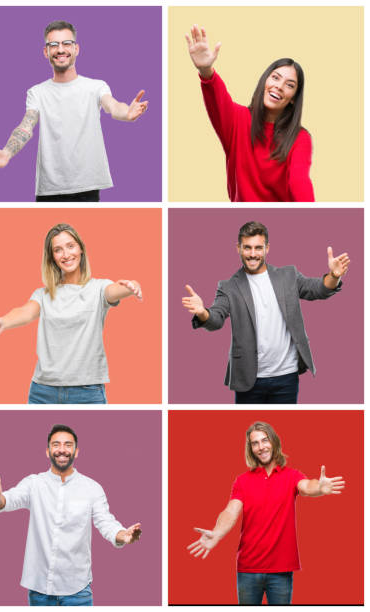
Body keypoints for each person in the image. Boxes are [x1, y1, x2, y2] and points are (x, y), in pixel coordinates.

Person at [181, 221, 349, 403]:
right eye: (247, 248)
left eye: (258, 248)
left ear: (267, 248)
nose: (253, 254)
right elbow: (216, 319)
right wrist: (202, 312)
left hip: (287, 376)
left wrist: (333, 276)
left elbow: (317, 289)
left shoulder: (288, 275)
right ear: (238, 248)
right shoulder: (228, 286)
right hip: (248, 378)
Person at [0, 20, 148, 202]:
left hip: (87, 187)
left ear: (76, 49)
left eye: (66, 43)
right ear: (46, 52)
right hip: (49, 190)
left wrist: (127, 113)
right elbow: (27, 125)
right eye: (54, 45)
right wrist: (7, 153)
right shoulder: (37, 92)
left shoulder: (95, 87)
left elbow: (113, 106)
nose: (60, 50)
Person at [187, 421, 345, 605]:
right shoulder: (242, 481)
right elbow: (231, 510)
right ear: (251, 448)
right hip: (248, 569)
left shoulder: (292, 476)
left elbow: (307, 487)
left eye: (265, 440)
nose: (261, 447)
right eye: (255, 443)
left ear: (274, 442)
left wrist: (319, 487)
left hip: (281, 571)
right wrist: (218, 533)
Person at [0, 222, 142, 404]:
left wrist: (132, 286)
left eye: (70, 246)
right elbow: (25, 312)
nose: (66, 255)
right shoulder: (43, 294)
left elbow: (116, 290)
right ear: (52, 257)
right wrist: (4, 322)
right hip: (42, 392)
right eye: (58, 250)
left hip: (88, 392)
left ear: (81, 249)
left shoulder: (98, 288)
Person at [0, 424, 141, 606]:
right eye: (56, 444)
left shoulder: (92, 488)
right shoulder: (34, 484)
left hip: (78, 591)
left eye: (68, 445)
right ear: (47, 451)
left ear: (76, 452)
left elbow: (105, 521)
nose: (62, 450)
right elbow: (10, 499)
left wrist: (122, 534)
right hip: (39, 591)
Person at [185, 24, 313, 202]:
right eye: (275, 77)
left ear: (293, 98)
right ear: (265, 81)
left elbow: (299, 182)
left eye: (289, 85)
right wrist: (206, 69)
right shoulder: (239, 120)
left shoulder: (300, 137)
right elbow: (217, 98)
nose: (279, 86)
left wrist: (313, 217)